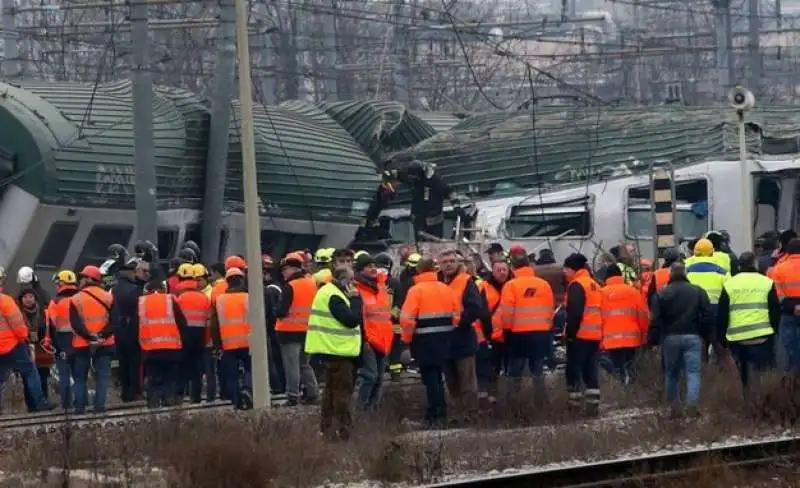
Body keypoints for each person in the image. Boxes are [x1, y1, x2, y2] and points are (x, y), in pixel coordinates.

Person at [400, 257, 459, 428]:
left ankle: (435, 416)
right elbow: (456, 315)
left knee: (430, 380)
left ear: (419, 270)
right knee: (439, 378)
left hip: (424, 341)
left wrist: (407, 339)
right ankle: (441, 413)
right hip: (445, 340)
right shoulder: (446, 289)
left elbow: (406, 319)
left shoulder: (416, 291)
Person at [306, 266, 363, 440]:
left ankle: (327, 429)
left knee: (330, 393)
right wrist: (355, 301)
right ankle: (343, 430)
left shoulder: (327, 292)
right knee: (342, 393)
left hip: (331, 350)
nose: (354, 284)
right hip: (339, 351)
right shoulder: (335, 296)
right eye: (351, 280)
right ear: (343, 280)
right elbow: (351, 320)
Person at [649, 263, 712, 418]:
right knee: (693, 372)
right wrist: (703, 333)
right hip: (693, 336)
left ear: (670, 275)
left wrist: (654, 341)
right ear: (685, 273)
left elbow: (655, 320)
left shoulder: (661, 294)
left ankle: (674, 408)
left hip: (670, 338)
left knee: (671, 374)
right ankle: (691, 405)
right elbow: (708, 315)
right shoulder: (698, 291)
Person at [495, 248, 554, 406]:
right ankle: (541, 403)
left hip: (518, 334)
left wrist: (506, 331)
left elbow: (507, 313)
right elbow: (550, 310)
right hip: (541, 333)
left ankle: (513, 403)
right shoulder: (544, 285)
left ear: (513, 268)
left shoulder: (510, 286)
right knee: (538, 370)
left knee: (515, 370)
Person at [716, 252, 780, 391]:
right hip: (761, 336)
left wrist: (721, 337)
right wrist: (774, 330)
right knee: (761, 373)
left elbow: (722, 313)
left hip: (737, 338)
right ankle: (759, 404)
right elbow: (774, 310)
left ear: (739, 265)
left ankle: (745, 401)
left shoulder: (730, 284)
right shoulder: (766, 282)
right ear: (754, 264)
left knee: (742, 375)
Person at [439, 249, 482, 425]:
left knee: (467, 382)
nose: (448, 264)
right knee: (451, 383)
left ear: (457, 263)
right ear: (440, 264)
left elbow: (475, 308)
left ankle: (471, 415)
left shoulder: (466, 281)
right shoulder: (436, 281)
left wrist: (459, 323)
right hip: (443, 340)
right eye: (445, 261)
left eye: (451, 261)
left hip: (462, 338)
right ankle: (456, 416)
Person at [0, 265, 51, 412]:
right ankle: (40, 403)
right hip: (13, 346)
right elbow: (18, 326)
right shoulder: (5, 301)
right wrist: (24, 338)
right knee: (30, 372)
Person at [70, 265, 115, 414]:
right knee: (102, 377)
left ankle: (80, 409)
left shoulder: (76, 299)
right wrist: (101, 336)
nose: (80, 280)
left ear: (89, 279)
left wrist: (89, 337)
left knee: (80, 378)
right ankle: (99, 408)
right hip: (104, 344)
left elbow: (75, 323)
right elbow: (115, 321)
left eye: (82, 277)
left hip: (82, 344)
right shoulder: (108, 297)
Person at [276, 252, 320, 406]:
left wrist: (275, 311)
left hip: (289, 332)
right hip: (309, 330)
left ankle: (292, 396)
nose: (283, 273)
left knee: (291, 365)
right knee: (305, 364)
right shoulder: (311, 283)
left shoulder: (290, 286)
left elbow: (282, 310)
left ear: (291, 269)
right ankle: (313, 393)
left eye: (284, 270)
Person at [563, 253, 603, 416]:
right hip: (594, 336)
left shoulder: (576, 285)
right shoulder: (594, 284)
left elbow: (575, 313)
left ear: (573, 269)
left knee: (573, 371)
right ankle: (593, 405)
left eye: (565, 269)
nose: (564, 272)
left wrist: (570, 334)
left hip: (580, 336)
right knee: (590, 371)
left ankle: (574, 406)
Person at [353, 254, 393, 412]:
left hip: (383, 339)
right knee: (370, 376)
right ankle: (361, 411)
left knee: (379, 380)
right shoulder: (357, 289)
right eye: (368, 266)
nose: (373, 269)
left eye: (374, 265)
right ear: (360, 270)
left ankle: (372, 413)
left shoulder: (381, 287)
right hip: (368, 339)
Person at [139, 279, 187, 408]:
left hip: (150, 349)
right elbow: (183, 323)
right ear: (163, 289)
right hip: (171, 348)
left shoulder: (141, 302)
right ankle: (169, 406)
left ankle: (153, 407)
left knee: (153, 379)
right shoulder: (170, 300)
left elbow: (135, 326)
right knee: (170, 378)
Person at [211, 267, 253, 409]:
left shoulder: (219, 300)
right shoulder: (249, 298)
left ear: (227, 282)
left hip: (228, 344)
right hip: (248, 342)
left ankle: (236, 402)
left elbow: (214, 326)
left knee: (231, 374)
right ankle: (247, 390)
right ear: (242, 280)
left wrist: (217, 345)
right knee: (251, 368)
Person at [599, 265, 649, 384]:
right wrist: (644, 332)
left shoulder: (601, 293)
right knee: (630, 367)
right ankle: (631, 392)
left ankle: (620, 390)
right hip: (632, 339)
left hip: (610, 340)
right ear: (621, 276)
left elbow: (596, 317)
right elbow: (643, 314)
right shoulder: (633, 291)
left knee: (616, 368)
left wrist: (599, 338)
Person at [173, 263, 211, 404]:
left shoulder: (178, 298)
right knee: (197, 368)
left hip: (183, 335)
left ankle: (179, 395)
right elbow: (208, 321)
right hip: (199, 335)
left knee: (181, 366)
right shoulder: (203, 298)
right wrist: (206, 340)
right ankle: (196, 396)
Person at [110, 258, 145, 403]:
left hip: (117, 330)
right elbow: (139, 311)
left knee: (122, 362)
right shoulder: (135, 289)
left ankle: (125, 392)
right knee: (134, 363)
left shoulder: (113, 289)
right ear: (130, 274)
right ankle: (134, 392)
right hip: (133, 330)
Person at [477, 259, 511, 403]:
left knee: (511, 369)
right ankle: (490, 397)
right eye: (499, 270)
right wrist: (485, 334)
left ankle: (510, 399)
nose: (502, 272)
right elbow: (480, 312)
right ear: (492, 271)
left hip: (510, 335)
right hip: (490, 336)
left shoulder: (513, 285)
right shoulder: (483, 287)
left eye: (505, 269)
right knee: (491, 369)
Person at [47, 270, 79, 410]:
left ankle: (66, 405)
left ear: (62, 284)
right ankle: (80, 403)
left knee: (64, 375)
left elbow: (52, 325)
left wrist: (54, 345)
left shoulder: (55, 302)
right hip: (80, 342)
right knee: (79, 374)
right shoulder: (80, 299)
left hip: (62, 343)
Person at [766, 237, 800, 372]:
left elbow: (776, 295)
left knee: (787, 350)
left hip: (788, 313)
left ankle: (791, 380)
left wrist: (792, 307)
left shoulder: (778, 269)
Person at [18, 285, 52, 410]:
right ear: (21, 299)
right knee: (28, 379)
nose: (28, 299)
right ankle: (32, 406)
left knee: (43, 377)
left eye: (30, 296)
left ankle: (44, 402)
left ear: (35, 298)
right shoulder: (17, 314)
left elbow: (49, 329)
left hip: (42, 350)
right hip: (25, 350)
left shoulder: (43, 313)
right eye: (25, 297)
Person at [389, 252, 420, 380]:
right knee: (398, 343)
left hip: (401, 317)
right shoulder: (406, 281)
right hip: (404, 316)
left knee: (398, 343)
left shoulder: (401, 279)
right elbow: (400, 300)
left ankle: (397, 370)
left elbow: (399, 301)